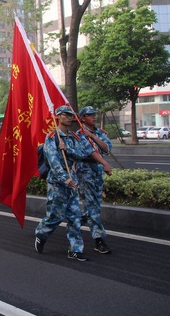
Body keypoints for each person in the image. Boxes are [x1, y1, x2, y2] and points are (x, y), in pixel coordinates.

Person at [34, 106, 109, 261]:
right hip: (57, 180)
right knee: (55, 215)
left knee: (74, 215)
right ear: (58, 117)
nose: (69, 118)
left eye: (70, 116)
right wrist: (64, 178)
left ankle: (75, 249)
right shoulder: (52, 137)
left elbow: (81, 154)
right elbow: (53, 160)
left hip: (72, 178)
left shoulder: (73, 137)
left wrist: (67, 149)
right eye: (65, 115)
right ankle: (41, 233)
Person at [76, 106, 113, 254]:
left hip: (97, 172)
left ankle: (74, 224)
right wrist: (105, 163)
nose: (93, 117)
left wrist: (93, 136)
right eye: (90, 115)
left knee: (93, 206)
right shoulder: (79, 134)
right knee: (92, 206)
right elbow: (89, 152)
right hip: (85, 171)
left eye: (94, 115)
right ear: (82, 118)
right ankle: (99, 239)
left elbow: (106, 149)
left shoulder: (99, 133)